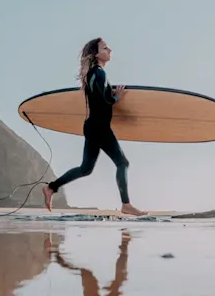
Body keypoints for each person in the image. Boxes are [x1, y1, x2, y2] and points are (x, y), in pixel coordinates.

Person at [42, 38, 147, 216]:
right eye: (105, 48)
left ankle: (51, 188)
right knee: (122, 163)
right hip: (99, 127)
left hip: (93, 126)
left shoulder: (94, 74)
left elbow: (99, 96)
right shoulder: (98, 73)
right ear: (96, 54)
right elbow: (104, 101)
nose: (110, 50)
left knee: (86, 169)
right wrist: (116, 97)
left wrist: (109, 92)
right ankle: (126, 205)